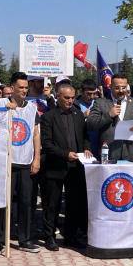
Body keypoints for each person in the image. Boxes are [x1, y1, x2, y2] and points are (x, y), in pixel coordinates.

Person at [40, 83, 92, 250]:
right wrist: (65, 154)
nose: (70, 101)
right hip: (55, 166)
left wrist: (86, 148)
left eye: (72, 98)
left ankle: (71, 236)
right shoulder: (49, 116)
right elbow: (46, 144)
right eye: (66, 98)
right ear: (58, 96)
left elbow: (84, 136)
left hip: (75, 167)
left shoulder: (78, 114)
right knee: (52, 204)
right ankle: (49, 237)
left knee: (74, 204)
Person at [0, 72, 41, 254]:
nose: (23, 91)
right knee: (4, 203)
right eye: (20, 87)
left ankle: (25, 239)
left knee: (26, 202)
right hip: (7, 161)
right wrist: (6, 110)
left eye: (25, 87)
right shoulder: (2, 105)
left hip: (25, 161)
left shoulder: (32, 108)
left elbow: (36, 133)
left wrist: (37, 157)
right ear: (12, 87)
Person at [85, 74, 133, 162]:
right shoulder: (100, 102)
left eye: (124, 87)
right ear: (110, 87)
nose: (121, 91)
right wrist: (109, 115)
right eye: (117, 88)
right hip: (107, 154)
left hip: (129, 154)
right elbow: (90, 124)